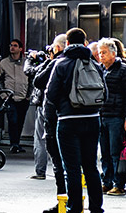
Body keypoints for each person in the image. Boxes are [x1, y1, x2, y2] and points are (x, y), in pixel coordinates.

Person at [44, 27, 102, 213]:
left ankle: (74, 208)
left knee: (72, 168)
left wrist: (62, 105)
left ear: (67, 43)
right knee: (91, 167)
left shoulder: (61, 64)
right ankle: (96, 208)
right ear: (86, 43)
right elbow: (104, 94)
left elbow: (50, 94)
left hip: (68, 120)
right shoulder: (96, 65)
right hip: (93, 120)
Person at [97, 37, 126, 196]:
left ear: (113, 53)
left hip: (116, 117)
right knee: (105, 152)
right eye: (100, 53)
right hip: (102, 115)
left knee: (116, 152)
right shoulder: (101, 69)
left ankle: (119, 184)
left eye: (104, 53)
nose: (101, 56)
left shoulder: (124, 70)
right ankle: (106, 182)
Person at [27, 33, 66, 182]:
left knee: (41, 137)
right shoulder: (80, 61)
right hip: (66, 108)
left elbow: (35, 77)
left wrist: (32, 60)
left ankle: (40, 170)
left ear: (56, 48)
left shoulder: (54, 62)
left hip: (47, 104)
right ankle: (65, 169)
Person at [0, 38, 30, 154]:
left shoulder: (26, 62)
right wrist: (4, 94)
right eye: (11, 45)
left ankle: (17, 142)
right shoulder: (4, 63)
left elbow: (31, 79)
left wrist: (28, 95)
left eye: (15, 46)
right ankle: (14, 144)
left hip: (23, 96)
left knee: (20, 121)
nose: (12, 47)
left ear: (21, 49)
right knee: (13, 120)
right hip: (9, 96)